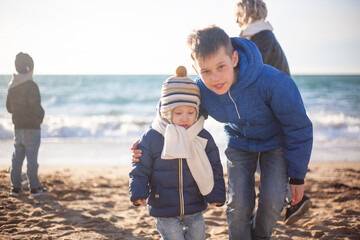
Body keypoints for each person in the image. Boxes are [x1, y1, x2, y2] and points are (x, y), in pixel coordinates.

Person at [132, 26, 313, 239]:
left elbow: (298, 126)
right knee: (239, 204)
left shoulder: (273, 82)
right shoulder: (202, 89)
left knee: (273, 200)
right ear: (196, 69)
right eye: (206, 71)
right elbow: (172, 108)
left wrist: (298, 177)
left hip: (275, 143)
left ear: (234, 59)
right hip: (239, 142)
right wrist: (147, 140)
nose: (215, 78)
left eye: (221, 67)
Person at [235, 0, 312, 225]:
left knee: (267, 156)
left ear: (245, 12)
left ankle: (295, 198)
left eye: (237, 14)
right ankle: (295, 198)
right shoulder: (260, 37)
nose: (236, 20)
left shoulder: (261, 39)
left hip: (273, 107)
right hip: (273, 106)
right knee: (267, 156)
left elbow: (252, 75)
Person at [129, 66, 226, 240]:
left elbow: (214, 166)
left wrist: (216, 194)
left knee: (197, 236)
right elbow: (140, 168)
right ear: (167, 112)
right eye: (178, 112)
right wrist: (138, 193)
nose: (185, 118)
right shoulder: (153, 137)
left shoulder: (201, 136)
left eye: (191, 112)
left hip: (194, 204)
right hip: (163, 205)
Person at [6, 52, 48, 197]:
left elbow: (9, 108)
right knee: (32, 159)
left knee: (17, 158)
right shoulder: (31, 85)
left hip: (18, 128)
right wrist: (41, 117)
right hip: (31, 127)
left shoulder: (12, 84)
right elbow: (35, 106)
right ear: (29, 68)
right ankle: (35, 187)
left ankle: (16, 187)